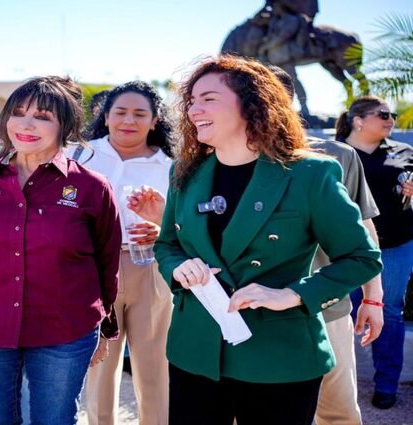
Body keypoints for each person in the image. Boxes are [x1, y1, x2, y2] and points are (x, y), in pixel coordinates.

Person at [154, 56, 381, 424]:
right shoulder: (185, 172)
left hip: (279, 357)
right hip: (195, 351)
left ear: (252, 104)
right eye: (191, 101)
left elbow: (362, 257)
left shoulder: (310, 173)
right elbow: (167, 244)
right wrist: (179, 267)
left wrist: (292, 294)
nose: (194, 110)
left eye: (208, 99)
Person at [0, 76, 121, 425]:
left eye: (43, 116)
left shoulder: (92, 187)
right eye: (18, 113)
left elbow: (107, 265)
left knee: (56, 420)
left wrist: (105, 329)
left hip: (65, 330)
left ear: (65, 125)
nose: (26, 124)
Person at [269, 66, 385, 423]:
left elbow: (363, 230)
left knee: (337, 411)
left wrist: (373, 298)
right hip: (247, 312)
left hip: (326, 308)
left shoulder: (337, 155)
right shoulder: (218, 159)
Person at [74, 81, 174, 425]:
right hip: (93, 269)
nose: (128, 120)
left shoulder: (171, 166)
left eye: (139, 114)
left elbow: (185, 221)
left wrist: (162, 229)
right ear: (106, 115)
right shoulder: (80, 155)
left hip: (151, 266)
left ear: (155, 120)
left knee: (155, 364)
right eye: (120, 112)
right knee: (99, 363)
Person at [336, 95, 413, 410]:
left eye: (391, 115)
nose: (390, 119)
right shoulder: (332, 153)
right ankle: (336, 386)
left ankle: (386, 386)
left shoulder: (404, 152)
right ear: (358, 120)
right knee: (338, 313)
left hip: (394, 247)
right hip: (341, 249)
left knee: (389, 312)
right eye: (383, 114)